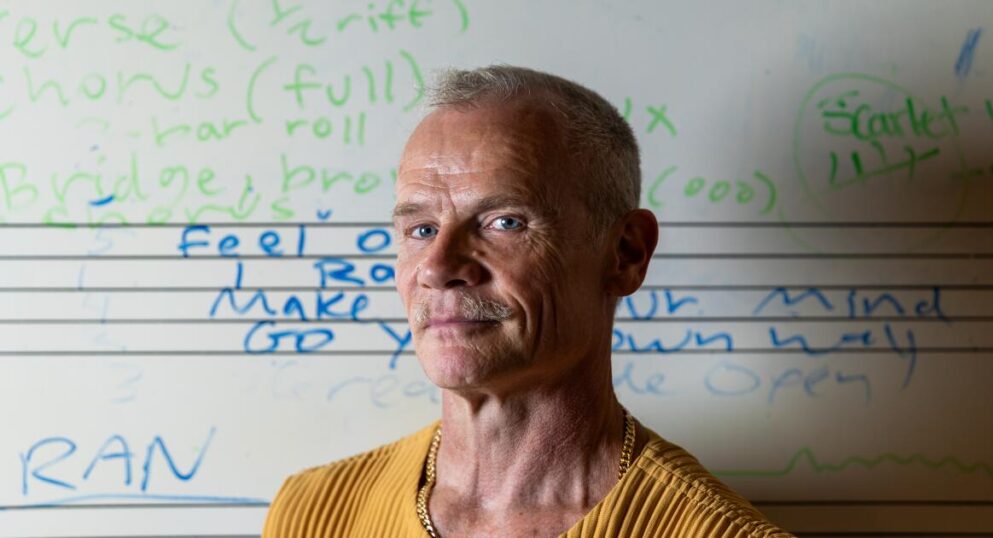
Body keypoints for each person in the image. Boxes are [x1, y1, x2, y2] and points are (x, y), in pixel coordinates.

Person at [263, 65, 791, 537]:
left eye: (505, 222)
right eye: (421, 229)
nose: (439, 268)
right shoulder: (310, 515)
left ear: (625, 254)